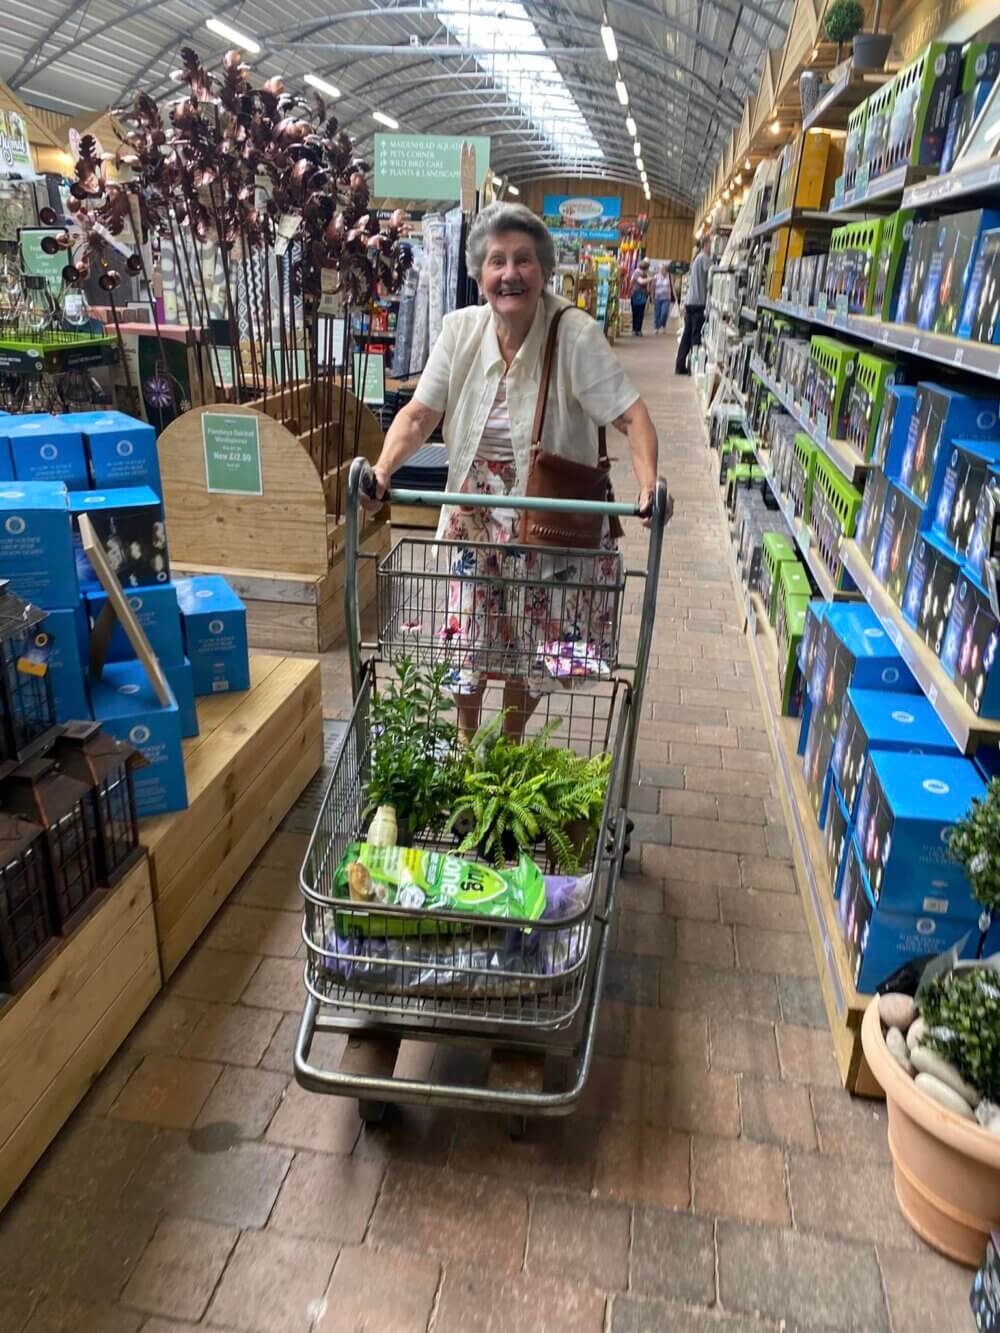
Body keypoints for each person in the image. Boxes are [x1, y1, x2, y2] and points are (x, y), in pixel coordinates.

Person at [362, 201, 660, 737]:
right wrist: (383, 469)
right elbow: (419, 414)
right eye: (496, 261)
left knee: (528, 637)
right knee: (469, 635)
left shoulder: (575, 334)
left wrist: (648, 487)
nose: (510, 274)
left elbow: (632, 416)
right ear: (479, 276)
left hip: (541, 513)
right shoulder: (459, 332)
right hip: (472, 511)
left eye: (523, 260)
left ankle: (512, 743)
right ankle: (465, 740)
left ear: (543, 270)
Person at [675, 234, 712, 375]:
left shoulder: (697, 258)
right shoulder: (704, 258)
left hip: (690, 302)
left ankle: (680, 366)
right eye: (712, 244)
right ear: (706, 244)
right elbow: (714, 273)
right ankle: (694, 367)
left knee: (687, 335)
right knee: (695, 336)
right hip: (698, 303)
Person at [629, 258, 654, 336]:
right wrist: (651, 278)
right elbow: (641, 281)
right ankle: (634, 329)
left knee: (641, 313)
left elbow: (646, 285)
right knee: (635, 312)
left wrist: (649, 291)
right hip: (636, 295)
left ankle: (638, 329)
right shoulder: (636, 273)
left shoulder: (644, 274)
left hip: (643, 295)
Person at [653, 263, 674, 334]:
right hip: (657, 297)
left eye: (664, 269)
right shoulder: (656, 276)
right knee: (657, 313)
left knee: (664, 313)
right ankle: (656, 327)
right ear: (659, 270)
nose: (662, 270)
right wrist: (651, 296)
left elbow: (672, 287)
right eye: (661, 269)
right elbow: (653, 287)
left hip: (666, 298)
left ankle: (663, 325)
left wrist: (676, 298)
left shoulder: (670, 276)